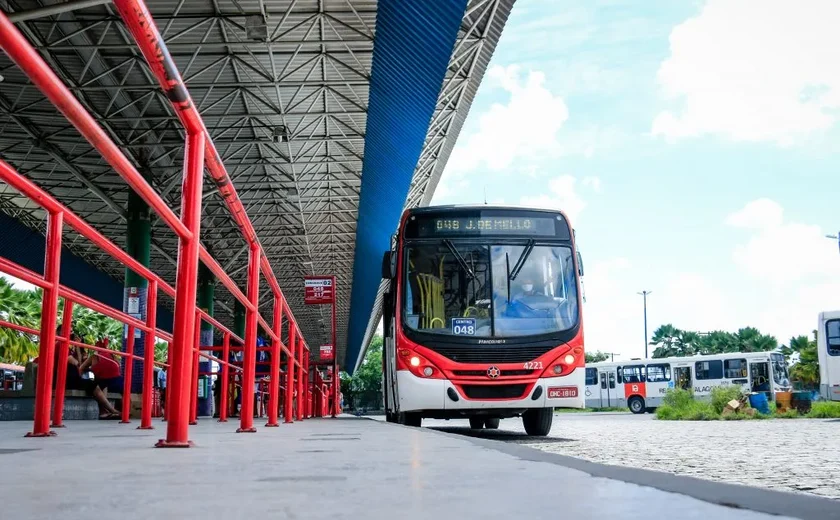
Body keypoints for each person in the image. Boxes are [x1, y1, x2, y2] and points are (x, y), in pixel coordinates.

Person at [44, 329, 121, 420]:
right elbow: (77, 364)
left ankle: (104, 412)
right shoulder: (60, 345)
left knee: (99, 383)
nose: (72, 333)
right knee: (94, 384)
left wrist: (77, 348)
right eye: (70, 331)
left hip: (70, 377)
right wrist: (77, 347)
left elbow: (79, 365)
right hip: (62, 379)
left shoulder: (67, 347)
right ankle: (111, 410)